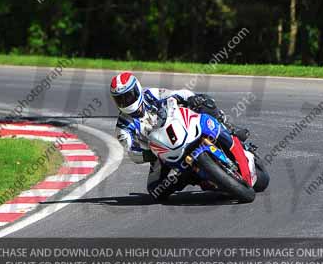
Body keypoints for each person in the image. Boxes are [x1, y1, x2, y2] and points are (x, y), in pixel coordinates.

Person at [110, 71, 269, 200]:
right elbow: (133, 153)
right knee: (155, 190)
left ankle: (229, 127)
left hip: (178, 125)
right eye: (120, 99)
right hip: (160, 152)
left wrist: (192, 98)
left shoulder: (150, 94)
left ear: (137, 89)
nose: (125, 101)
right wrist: (149, 154)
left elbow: (177, 94)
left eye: (128, 96)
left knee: (204, 105)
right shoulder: (123, 127)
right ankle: (190, 177)